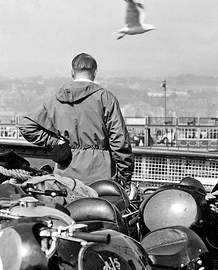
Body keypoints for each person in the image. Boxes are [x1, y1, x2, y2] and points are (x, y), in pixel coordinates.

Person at [19, 53, 134, 188]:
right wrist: (125, 176)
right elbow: (119, 141)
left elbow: (26, 125)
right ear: (95, 72)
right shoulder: (105, 98)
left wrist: (56, 141)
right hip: (101, 174)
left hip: (65, 176)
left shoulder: (56, 99)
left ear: (72, 72)